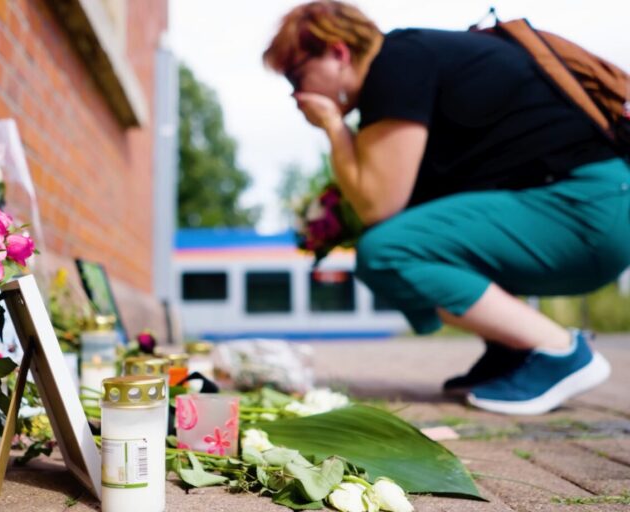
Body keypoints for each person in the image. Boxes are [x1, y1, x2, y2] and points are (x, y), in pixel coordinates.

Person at [264, 0, 630, 415]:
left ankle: (559, 351)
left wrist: (333, 126)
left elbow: (378, 206)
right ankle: (513, 350)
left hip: (586, 207)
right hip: (591, 207)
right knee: (416, 234)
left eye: (296, 75)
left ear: (338, 52)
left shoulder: (396, 63)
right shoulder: (407, 65)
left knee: (387, 250)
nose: (295, 94)